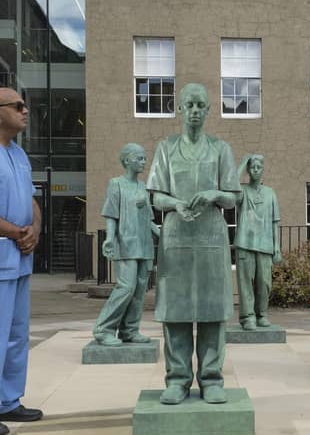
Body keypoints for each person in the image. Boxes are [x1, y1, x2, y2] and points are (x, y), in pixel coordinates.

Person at [147, 83, 241, 405]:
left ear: (209, 110)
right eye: (190, 104)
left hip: (212, 238)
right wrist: (175, 203)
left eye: (202, 105)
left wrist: (215, 194)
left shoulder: (220, 149)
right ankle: (177, 379)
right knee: (176, 311)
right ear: (180, 109)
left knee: (213, 311)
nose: (196, 110)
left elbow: (233, 198)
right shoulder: (166, 148)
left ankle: (212, 379)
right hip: (176, 237)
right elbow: (156, 196)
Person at [0, 87, 43, 435]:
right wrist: (16, 232)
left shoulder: (19, 154)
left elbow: (32, 202)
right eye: (17, 105)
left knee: (16, 334)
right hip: (3, 250)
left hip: (20, 256)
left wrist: (35, 230)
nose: (24, 110)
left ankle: (8, 401)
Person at [92, 143, 159, 346]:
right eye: (139, 158)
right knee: (125, 288)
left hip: (144, 245)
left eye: (144, 158)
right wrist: (110, 238)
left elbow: (149, 219)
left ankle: (130, 330)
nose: (143, 162)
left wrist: (164, 234)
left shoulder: (142, 186)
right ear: (127, 160)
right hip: (126, 244)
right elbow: (112, 215)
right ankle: (103, 329)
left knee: (139, 291)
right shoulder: (116, 184)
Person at [235, 154, 282, 331]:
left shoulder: (270, 193)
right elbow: (229, 186)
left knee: (265, 283)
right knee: (246, 282)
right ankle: (248, 317)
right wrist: (241, 164)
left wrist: (276, 247)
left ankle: (262, 314)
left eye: (258, 167)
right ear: (248, 170)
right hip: (245, 243)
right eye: (252, 167)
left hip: (265, 245)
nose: (255, 170)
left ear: (263, 170)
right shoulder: (242, 191)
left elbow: (275, 221)